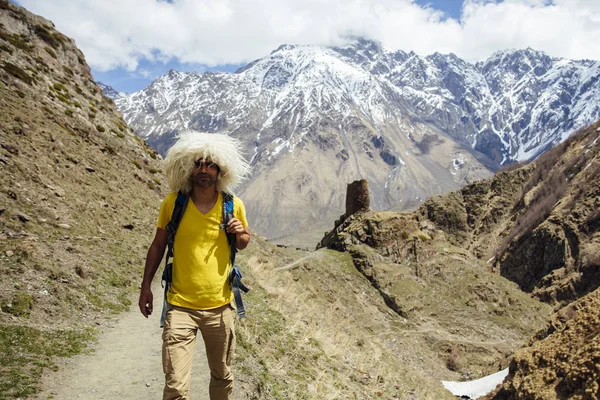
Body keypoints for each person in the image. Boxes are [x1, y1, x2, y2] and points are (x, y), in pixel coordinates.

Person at [138, 130, 251, 400]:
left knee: (222, 377)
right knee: (175, 386)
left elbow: (244, 241)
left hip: (220, 307)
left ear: (220, 171)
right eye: (198, 163)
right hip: (179, 308)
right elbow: (157, 245)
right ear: (188, 168)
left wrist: (240, 232)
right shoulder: (173, 204)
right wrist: (145, 287)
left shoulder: (233, 205)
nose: (204, 169)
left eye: (210, 164)